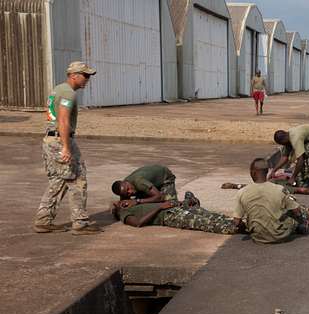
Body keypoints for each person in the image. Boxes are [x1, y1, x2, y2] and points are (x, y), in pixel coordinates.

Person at [33, 61, 103, 235]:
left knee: (60, 180)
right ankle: (79, 222)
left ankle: (44, 220)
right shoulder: (68, 93)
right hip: (60, 140)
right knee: (78, 177)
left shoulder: (58, 89)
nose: (87, 79)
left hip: (52, 139)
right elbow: (63, 120)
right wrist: (66, 147)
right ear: (74, 75)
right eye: (85, 75)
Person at [233, 158, 309, 244]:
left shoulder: (242, 192)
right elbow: (297, 211)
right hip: (280, 235)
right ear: (266, 172)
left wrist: (252, 228)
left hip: (258, 237)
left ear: (252, 173)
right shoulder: (279, 189)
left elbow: (237, 222)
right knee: (295, 208)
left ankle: (300, 227)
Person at [112, 199, 237, 235]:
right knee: (203, 222)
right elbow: (138, 223)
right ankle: (233, 228)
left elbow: (159, 198)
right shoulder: (123, 213)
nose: (124, 201)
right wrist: (160, 208)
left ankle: (234, 222)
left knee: (211, 215)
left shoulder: (134, 204)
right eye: (121, 203)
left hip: (173, 209)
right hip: (168, 216)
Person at [111, 165, 178, 203]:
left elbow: (159, 197)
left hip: (165, 177)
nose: (130, 192)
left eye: (128, 189)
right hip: (148, 179)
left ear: (126, 183)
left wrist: (137, 201)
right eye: (127, 193)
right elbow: (124, 200)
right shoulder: (124, 186)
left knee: (170, 204)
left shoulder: (139, 182)